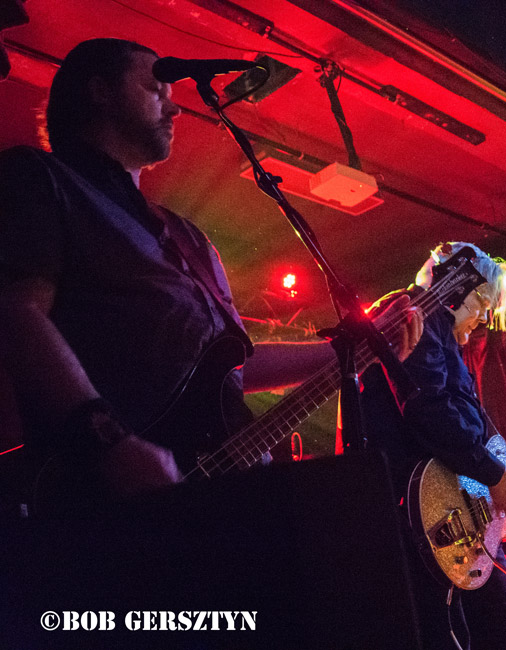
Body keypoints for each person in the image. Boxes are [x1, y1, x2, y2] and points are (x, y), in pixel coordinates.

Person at [0, 38, 422, 508]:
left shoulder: (189, 238)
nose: (174, 108)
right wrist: (108, 441)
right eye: (156, 89)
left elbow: (235, 368)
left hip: (218, 497)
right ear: (100, 92)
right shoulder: (40, 178)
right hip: (98, 498)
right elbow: (17, 313)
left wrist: (347, 352)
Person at [359, 241, 506, 650]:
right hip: (430, 522)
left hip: (454, 516)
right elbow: (429, 410)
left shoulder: (440, 333)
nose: (484, 318)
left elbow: (454, 431)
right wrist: (495, 475)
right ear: (458, 290)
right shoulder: (417, 313)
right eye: (483, 304)